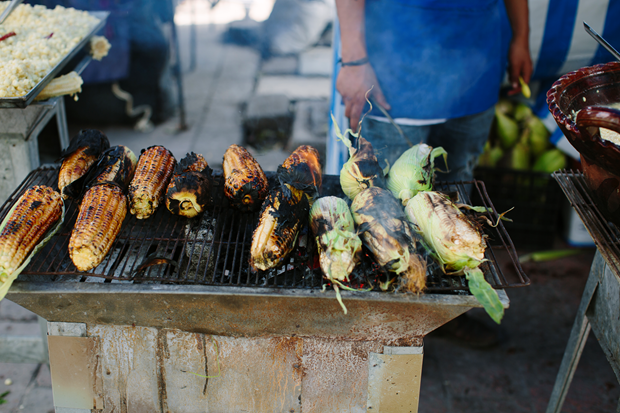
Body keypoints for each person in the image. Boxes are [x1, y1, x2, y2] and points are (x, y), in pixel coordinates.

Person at [332, 0, 533, 347]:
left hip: (477, 62)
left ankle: (442, 314)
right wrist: (353, 59)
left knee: (456, 195)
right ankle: (379, 328)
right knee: (380, 207)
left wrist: (521, 37)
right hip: (394, 66)